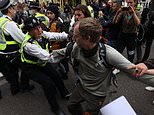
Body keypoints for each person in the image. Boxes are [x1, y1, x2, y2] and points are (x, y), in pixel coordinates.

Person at [51, 17, 154, 115]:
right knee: (71, 106)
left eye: (76, 35)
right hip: (82, 87)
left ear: (87, 38)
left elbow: (136, 72)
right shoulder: (74, 47)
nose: (73, 38)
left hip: (97, 95)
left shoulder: (109, 54)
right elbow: (59, 53)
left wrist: (147, 72)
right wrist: (42, 55)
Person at [21, 16, 71, 115]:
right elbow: (49, 57)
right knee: (48, 84)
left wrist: (68, 36)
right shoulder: (29, 45)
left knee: (56, 75)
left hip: (41, 63)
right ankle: (55, 107)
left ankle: (64, 93)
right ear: (29, 31)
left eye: (39, 27)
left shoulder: (41, 34)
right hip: (31, 67)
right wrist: (67, 51)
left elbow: (55, 35)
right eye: (35, 29)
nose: (39, 30)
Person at [0, 0, 34, 95]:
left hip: (3, 53)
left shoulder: (2, 21)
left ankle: (15, 89)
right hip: (13, 54)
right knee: (26, 68)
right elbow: (22, 39)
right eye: (13, 9)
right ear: (9, 10)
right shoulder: (9, 24)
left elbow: (10, 31)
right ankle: (24, 87)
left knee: (13, 72)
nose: (15, 10)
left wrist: (22, 25)